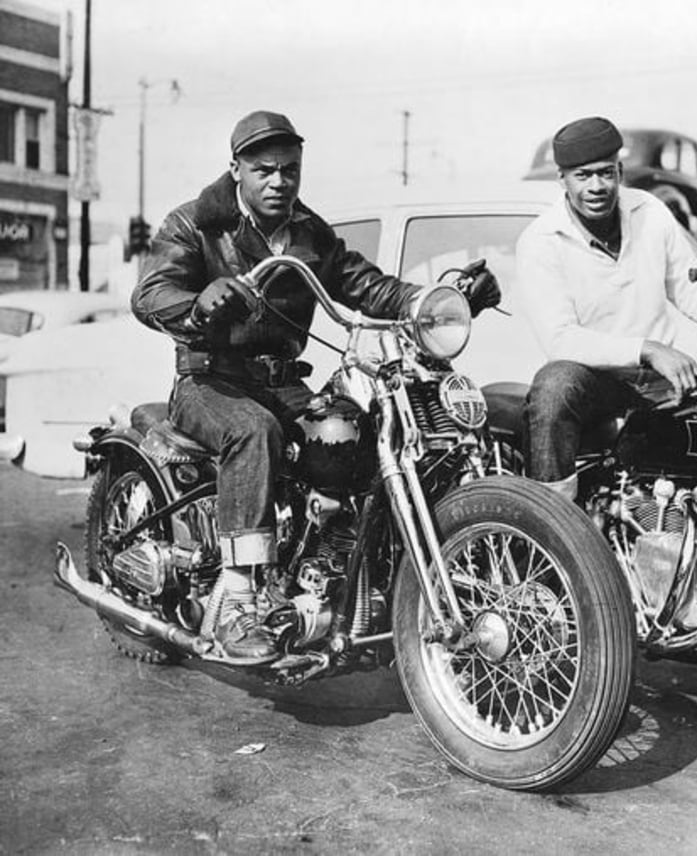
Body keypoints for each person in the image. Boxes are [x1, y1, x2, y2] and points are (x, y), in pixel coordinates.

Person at [131, 110, 499, 663]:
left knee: (348, 434)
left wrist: (429, 302)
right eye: (264, 170)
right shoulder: (195, 223)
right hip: (208, 380)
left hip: (282, 382)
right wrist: (197, 305)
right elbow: (150, 293)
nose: (279, 181)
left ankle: (331, 569)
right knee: (253, 431)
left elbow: (365, 284)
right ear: (236, 169)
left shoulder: (309, 232)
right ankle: (237, 601)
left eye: (289, 170)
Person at [515, 116, 697, 501]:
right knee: (554, 385)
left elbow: (689, 290)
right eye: (582, 176)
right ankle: (553, 522)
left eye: (605, 173)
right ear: (562, 179)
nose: (596, 186)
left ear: (620, 171)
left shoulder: (650, 211)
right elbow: (561, 339)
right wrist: (648, 349)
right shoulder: (541, 241)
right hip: (596, 381)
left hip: (659, 381)